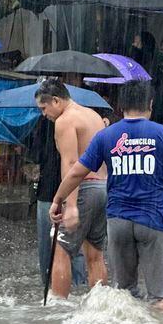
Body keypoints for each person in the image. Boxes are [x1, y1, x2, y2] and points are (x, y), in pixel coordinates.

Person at [50, 81, 163, 311]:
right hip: (154, 221)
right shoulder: (162, 134)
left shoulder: (106, 136)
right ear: (150, 105)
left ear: (121, 106)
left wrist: (57, 200)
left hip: (118, 223)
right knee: (160, 299)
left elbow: (76, 173)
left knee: (124, 296)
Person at [35, 79, 108, 299]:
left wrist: (70, 204)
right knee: (95, 253)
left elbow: (70, 163)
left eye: (44, 107)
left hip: (84, 189)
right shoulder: (93, 115)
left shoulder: (65, 121)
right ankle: (100, 306)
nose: (44, 114)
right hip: (103, 188)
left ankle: (58, 308)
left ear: (56, 100)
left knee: (62, 250)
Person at [27, 115, 87, 288]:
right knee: (73, 243)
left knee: (47, 244)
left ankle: (50, 284)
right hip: (74, 191)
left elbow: (36, 155)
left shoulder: (45, 122)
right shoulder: (80, 120)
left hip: (49, 191)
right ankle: (77, 285)